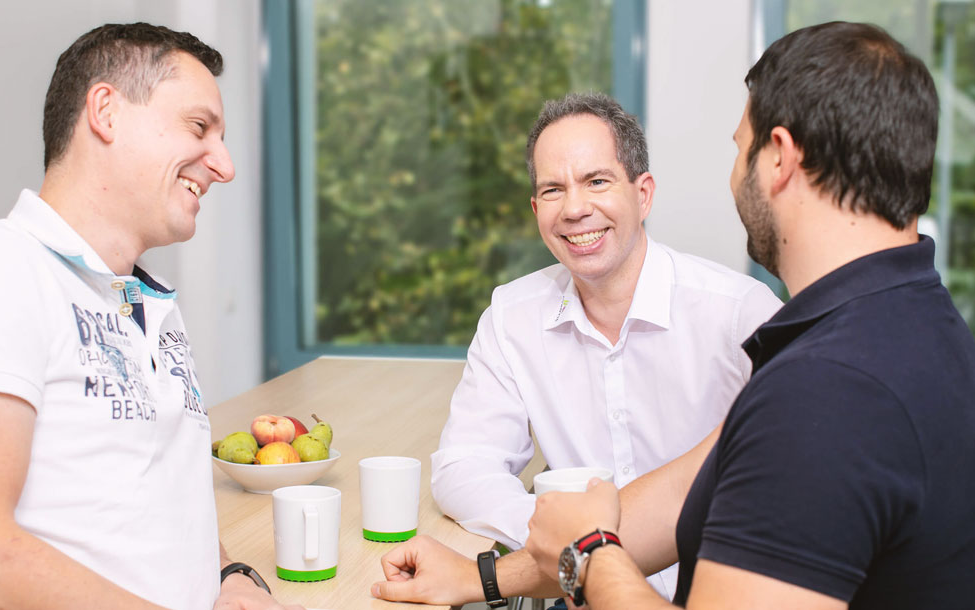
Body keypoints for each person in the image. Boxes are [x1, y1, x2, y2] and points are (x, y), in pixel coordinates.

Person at [372, 21, 975, 609]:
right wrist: (485, 579)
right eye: (553, 190)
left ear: (780, 158)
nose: (735, 175)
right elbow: (679, 494)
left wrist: (589, 549)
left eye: (741, 149)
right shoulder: (907, 323)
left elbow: (612, 539)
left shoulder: (826, 388)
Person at [390, 92, 781, 602]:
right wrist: (557, 537)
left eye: (597, 181)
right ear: (535, 210)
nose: (575, 208)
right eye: (553, 190)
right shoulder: (513, 315)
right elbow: (464, 465)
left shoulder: (740, 316)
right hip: (577, 591)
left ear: (643, 194)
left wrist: (580, 547)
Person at [0, 23, 303, 610]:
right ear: (106, 111)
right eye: (200, 127)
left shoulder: (145, 302)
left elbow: (137, 507)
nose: (224, 166)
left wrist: (228, 575)